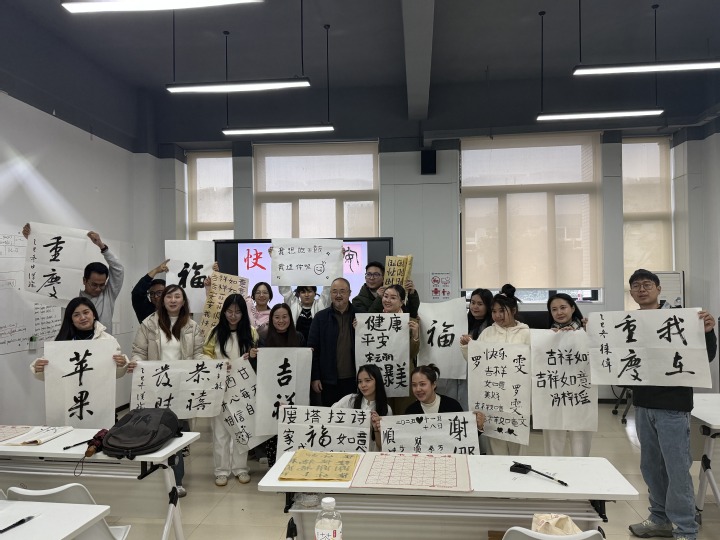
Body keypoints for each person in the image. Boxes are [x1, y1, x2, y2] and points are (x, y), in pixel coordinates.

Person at [627, 269, 716, 540]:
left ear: (658, 288)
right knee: (651, 467)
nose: (642, 290)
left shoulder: (683, 318)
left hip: (673, 406)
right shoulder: (629, 323)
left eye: (647, 284)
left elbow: (707, 356)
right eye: (636, 286)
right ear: (631, 293)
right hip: (643, 405)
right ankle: (659, 518)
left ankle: (686, 528)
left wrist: (708, 332)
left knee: (676, 469)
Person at [128, 284, 207, 498]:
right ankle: (159, 477)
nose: (173, 300)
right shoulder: (149, 324)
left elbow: (198, 354)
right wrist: (136, 362)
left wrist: (212, 365)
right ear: (162, 300)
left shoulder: (191, 326)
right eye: (168, 296)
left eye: (177, 297)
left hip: (181, 387)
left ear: (183, 301)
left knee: (177, 434)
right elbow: (139, 351)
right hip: (156, 386)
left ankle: (177, 481)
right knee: (157, 431)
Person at [23, 224, 125, 330]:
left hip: (104, 340)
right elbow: (49, 267)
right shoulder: (70, 296)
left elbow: (118, 269)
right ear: (84, 280)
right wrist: (34, 239)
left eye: (102, 285)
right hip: (74, 341)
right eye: (94, 285)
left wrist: (101, 246)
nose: (98, 289)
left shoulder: (108, 295)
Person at [203, 294, 259, 487]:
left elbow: (256, 359)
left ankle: (240, 468)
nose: (233, 316)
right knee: (220, 432)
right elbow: (205, 355)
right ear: (224, 312)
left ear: (243, 313)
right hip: (221, 388)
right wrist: (218, 364)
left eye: (237, 312)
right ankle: (221, 470)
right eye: (229, 311)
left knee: (241, 428)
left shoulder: (251, 333)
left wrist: (252, 356)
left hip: (243, 389)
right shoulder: (215, 332)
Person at [478, 283, 530, 456]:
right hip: (494, 395)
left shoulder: (526, 333)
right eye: (494, 311)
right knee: (495, 441)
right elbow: (475, 362)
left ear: (513, 310)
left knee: (517, 441)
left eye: (502, 311)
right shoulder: (487, 333)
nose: (497, 315)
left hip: (517, 396)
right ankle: (497, 472)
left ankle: (519, 471)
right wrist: (466, 347)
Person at [250, 303, 305, 469]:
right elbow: (258, 368)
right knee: (273, 428)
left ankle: (293, 464)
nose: (281, 321)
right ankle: (274, 466)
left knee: (293, 427)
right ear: (271, 319)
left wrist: (308, 355)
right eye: (277, 317)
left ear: (290, 318)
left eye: (284, 317)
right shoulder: (263, 338)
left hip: (295, 390)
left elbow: (304, 364)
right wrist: (253, 356)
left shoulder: (299, 337)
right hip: (271, 392)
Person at [543, 293, 594, 457]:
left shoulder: (587, 330)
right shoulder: (545, 335)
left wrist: (586, 333)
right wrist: (553, 338)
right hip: (554, 394)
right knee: (553, 440)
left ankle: (580, 471)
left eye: (563, 307)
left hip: (580, 393)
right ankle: (554, 469)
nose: (559, 312)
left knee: (580, 441)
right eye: (554, 309)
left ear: (572, 308)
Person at [30, 297, 128, 379]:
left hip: (98, 391)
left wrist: (121, 365)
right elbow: (49, 374)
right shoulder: (61, 341)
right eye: (76, 315)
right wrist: (39, 368)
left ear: (93, 314)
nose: (83, 318)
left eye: (86, 312)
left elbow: (116, 375)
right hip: (69, 392)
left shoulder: (108, 340)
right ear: (71, 320)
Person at [308, 278, 357, 407]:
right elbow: (313, 350)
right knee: (330, 416)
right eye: (334, 291)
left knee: (353, 415)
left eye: (342, 291)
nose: (338, 295)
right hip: (328, 381)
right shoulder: (320, 317)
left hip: (355, 379)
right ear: (330, 294)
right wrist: (315, 377)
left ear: (349, 293)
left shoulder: (360, 316)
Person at [404, 364, 486, 438]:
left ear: (433, 384)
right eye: (414, 385)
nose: (418, 389)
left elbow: (465, 437)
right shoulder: (410, 411)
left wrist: (479, 427)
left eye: (422, 384)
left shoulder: (452, 405)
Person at [377, 284, 420, 413]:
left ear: (401, 302)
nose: (387, 300)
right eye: (385, 296)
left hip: (403, 374)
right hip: (381, 374)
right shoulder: (373, 321)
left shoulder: (411, 322)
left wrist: (415, 335)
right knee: (384, 413)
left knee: (404, 412)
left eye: (393, 297)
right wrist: (360, 328)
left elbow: (412, 353)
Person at [333, 364, 393, 451]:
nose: (363, 385)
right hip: (350, 451)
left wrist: (376, 428)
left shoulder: (386, 409)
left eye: (367, 380)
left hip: (372, 454)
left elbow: (383, 446)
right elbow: (330, 414)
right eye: (360, 381)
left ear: (377, 381)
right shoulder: (350, 400)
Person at [455, 288, 494, 408]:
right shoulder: (463, 322)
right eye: (472, 303)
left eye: (480, 304)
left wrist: (473, 344)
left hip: (482, 375)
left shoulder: (492, 328)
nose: (475, 307)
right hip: (460, 371)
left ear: (488, 306)